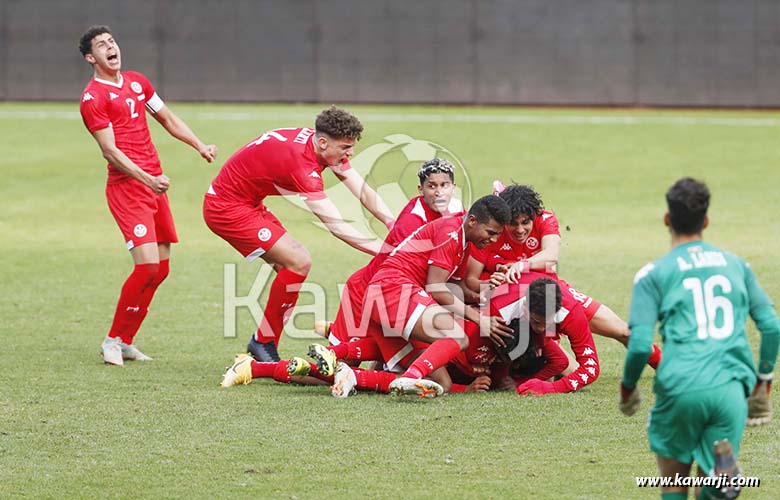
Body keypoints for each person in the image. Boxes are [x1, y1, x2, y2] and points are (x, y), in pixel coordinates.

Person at [220, 158, 460, 387]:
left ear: (454, 187)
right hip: (371, 294)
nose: (439, 192)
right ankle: (253, 368)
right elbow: (413, 273)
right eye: (432, 186)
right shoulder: (413, 222)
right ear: (421, 189)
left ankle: (341, 336)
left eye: (444, 185)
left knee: (392, 365)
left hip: (397, 296)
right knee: (335, 372)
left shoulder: (455, 212)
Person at [619, 178, 779, 500]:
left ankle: (713, 482)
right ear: (706, 221)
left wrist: (627, 388)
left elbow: (638, 345)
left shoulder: (653, 274)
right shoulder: (737, 266)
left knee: (673, 482)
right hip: (729, 390)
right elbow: (772, 327)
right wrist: (764, 382)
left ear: (667, 219)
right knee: (714, 484)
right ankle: (718, 483)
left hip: (680, 388)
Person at [204, 106, 395, 362]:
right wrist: (385, 250)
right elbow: (335, 224)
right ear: (324, 142)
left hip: (248, 203)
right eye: (346, 147)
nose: (350, 153)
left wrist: (392, 222)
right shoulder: (303, 165)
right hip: (226, 208)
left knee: (290, 271)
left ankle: (304, 337)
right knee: (298, 261)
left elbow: (360, 188)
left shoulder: (321, 147)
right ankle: (263, 343)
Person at [78, 25, 217, 365]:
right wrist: (147, 179)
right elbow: (110, 152)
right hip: (128, 188)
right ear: (90, 58)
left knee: (162, 269)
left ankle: (126, 341)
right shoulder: (92, 98)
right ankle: (112, 340)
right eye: (101, 45)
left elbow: (167, 118)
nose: (111, 47)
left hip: (154, 185)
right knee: (146, 266)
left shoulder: (138, 82)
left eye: (112, 41)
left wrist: (199, 144)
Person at [465, 183, 662, 369]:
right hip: (518, 307)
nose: (519, 229)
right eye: (513, 224)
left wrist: (522, 265)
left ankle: (664, 366)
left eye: (525, 223)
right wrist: (489, 283)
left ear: (535, 216)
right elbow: (471, 280)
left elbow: (551, 255)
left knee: (622, 331)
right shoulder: (492, 233)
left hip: (555, 294)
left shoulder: (545, 219)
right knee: (565, 367)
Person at [361, 195, 513, 398]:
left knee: (441, 384)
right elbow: (435, 287)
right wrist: (479, 318)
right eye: (491, 233)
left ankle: (346, 375)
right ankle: (413, 376)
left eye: (497, 235)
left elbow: (454, 286)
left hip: (388, 294)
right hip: (392, 289)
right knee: (457, 337)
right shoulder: (451, 232)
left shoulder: (465, 241)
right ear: (473, 221)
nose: (493, 240)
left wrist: (487, 291)